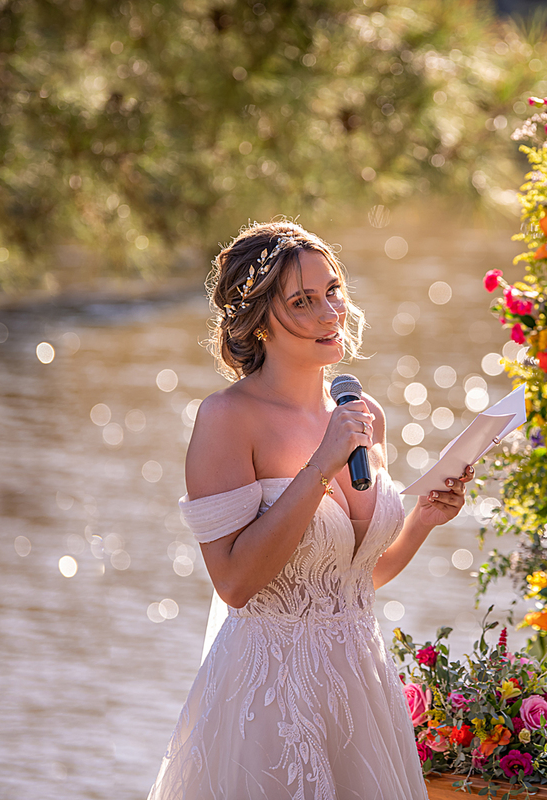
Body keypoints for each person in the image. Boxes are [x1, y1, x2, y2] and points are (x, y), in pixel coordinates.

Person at [148, 221, 471, 800]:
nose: (330, 312)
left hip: (360, 689)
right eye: (303, 301)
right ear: (258, 322)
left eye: (334, 291)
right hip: (270, 701)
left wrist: (423, 517)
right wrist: (321, 464)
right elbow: (236, 581)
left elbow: (353, 576)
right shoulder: (227, 419)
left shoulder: (361, 409)